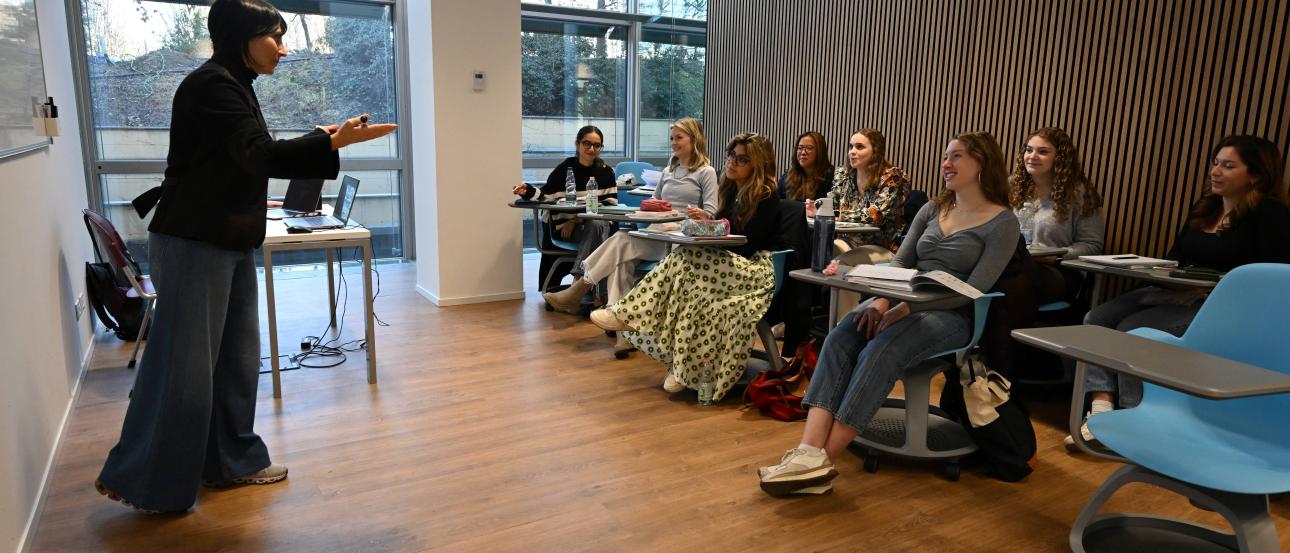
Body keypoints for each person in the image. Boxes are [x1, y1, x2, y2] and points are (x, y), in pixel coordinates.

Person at [97, 0, 396, 514]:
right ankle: (146, 482)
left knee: (235, 360)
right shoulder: (212, 86)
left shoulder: (234, 85)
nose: (283, 48)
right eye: (274, 37)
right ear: (242, 35)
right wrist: (330, 140)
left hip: (225, 239)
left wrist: (327, 139)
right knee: (184, 369)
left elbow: (244, 155)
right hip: (196, 241)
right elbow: (260, 156)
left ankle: (230, 463)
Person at [758, 132, 1020, 497]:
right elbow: (900, 263)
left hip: (955, 316)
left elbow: (972, 290)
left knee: (881, 348)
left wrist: (905, 307)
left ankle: (824, 461)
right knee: (841, 336)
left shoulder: (1003, 222)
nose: (946, 164)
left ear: (983, 163)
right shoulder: (933, 209)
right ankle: (807, 451)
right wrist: (881, 302)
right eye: (946, 156)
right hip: (901, 300)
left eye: (957, 156)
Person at [1068, 134, 1290, 450]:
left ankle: (1133, 419)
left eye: (1228, 166)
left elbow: (1271, 275)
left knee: (1132, 330)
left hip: (1218, 308)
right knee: (1096, 318)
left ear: (1255, 175)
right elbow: (1176, 258)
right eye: (1215, 163)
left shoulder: (1269, 213)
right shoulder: (1205, 209)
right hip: (1176, 292)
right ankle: (1101, 410)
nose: (1215, 172)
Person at [588, 133, 783, 400]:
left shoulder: (767, 196)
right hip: (731, 264)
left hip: (755, 270)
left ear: (757, 165)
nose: (732, 162)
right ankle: (680, 367)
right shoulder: (732, 191)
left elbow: (748, 244)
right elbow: (728, 232)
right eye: (731, 155)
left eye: (742, 159)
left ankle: (629, 315)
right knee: (689, 277)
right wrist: (710, 226)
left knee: (686, 257)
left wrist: (713, 231)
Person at [542, 118, 718, 356]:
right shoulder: (668, 170)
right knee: (621, 245)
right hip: (658, 231)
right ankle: (623, 334)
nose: (674, 143)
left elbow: (712, 212)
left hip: (680, 236)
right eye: (672, 138)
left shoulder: (706, 172)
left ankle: (581, 289)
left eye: (679, 138)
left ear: (694, 139)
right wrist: (648, 208)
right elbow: (653, 202)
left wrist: (700, 214)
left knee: (620, 254)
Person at [513, 125, 618, 299]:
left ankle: (577, 283)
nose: (592, 149)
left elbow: (610, 204)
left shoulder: (605, 172)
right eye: (587, 144)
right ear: (577, 144)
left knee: (597, 224)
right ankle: (596, 295)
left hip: (592, 226)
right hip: (569, 231)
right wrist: (527, 191)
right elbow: (546, 195)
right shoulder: (566, 169)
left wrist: (575, 220)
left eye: (597, 145)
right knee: (598, 229)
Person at [1008, 127, 1105, 302]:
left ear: (1060, 158)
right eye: (1029, 150)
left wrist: (1056, 256)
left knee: (1011, 283)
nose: (1032, 156)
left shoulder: (1079, 194)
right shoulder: (1013, 188)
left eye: (1043, 152)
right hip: (1016, 265)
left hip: (1060, 271)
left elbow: (1092, 245)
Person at [809, 129, 910, 252]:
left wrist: (838, 215)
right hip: (845, 241)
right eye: (851, 147)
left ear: (876, 151)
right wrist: (817, 208)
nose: (852, 152)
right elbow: (832, 204)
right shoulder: (843, 174)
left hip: (880, 246)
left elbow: (875, 215)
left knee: (830, 253)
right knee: (812, 246)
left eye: (859, 147)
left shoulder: (892, 176)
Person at [778, 131, 834, 201]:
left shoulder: (832, 177)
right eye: (800, 148)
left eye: (809, 148)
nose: (803, 152)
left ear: (820, 151)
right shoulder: (788, 176)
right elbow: (777, 203)